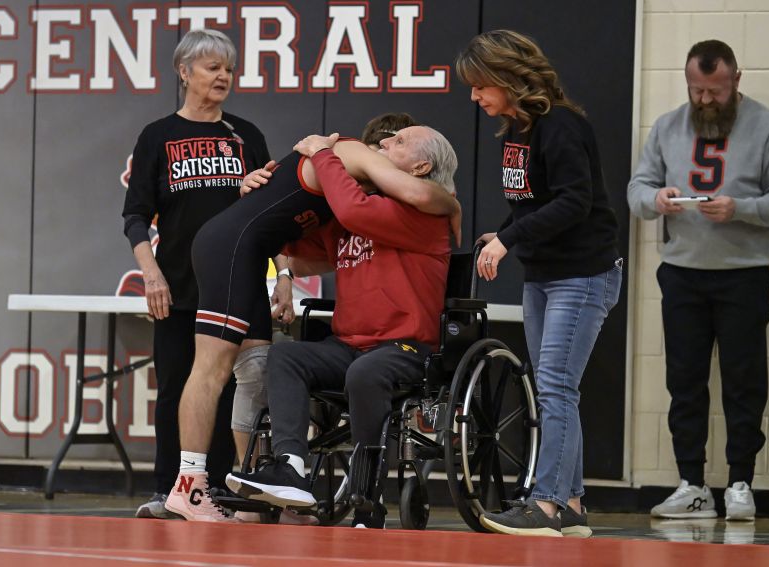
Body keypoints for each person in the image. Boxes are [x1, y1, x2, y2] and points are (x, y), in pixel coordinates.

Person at [164, 126, 461, 522]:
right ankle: (290, 467)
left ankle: (365, 489)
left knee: (365, 371)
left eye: (398, 141)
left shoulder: (424, 216)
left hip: (402, 347)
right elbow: (300, 254)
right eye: (385, 139)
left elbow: (355, 210)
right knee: (285, 357)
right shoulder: (360, 208)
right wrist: (257, 200)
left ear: (421, 166)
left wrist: (324, 154)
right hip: (351, 345)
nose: (383, 144)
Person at [628, 40, 769, 521]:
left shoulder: (768, 128)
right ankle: (692, 484)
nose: (704, 100)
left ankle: (740, 482)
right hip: (682, 273)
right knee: (684, 382)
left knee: (745, 382)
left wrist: (739, 209)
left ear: (736, 80)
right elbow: (636, 191)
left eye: (715, 91)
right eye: (696, 90)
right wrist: (657, 199)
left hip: (743, 275)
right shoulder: (666, 126)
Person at [455, 30, 621, 537]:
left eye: (480, 85)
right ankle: (570, 504)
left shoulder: (561, 126)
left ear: (507, 77)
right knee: (556, 390)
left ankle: (544, 504)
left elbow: (574, 201)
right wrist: (504, 232)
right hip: (547, 274)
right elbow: (532, 203)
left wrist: (510, 241)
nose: (474, 96)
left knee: (554, 388)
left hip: (583, 275)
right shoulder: (517, 131)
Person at [121, 29, 293, 519]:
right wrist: (152, 276)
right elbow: (135, 215)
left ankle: (235, 491)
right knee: (178, 386)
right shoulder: (157, 136)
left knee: (246, 391)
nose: (223, 76)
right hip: (177, 285)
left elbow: (272, 213)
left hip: (239, 285)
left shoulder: (246, 136)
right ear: (184, 72)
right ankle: (170, 489)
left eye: (229, 69)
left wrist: (282, 275)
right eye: (213, 67)